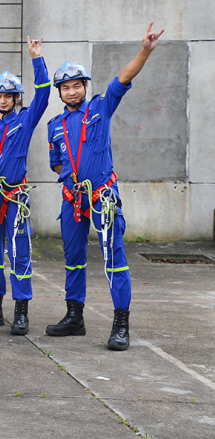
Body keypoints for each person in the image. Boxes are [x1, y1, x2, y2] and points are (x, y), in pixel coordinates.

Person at [46, 22, 164, 351]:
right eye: (65, 87)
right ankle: (75, 317)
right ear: (59, 92)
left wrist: (145, 50)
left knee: (114, 257)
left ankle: (121, 324)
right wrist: (69, 176)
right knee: (73, 258)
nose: (71, 91)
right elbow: (55, 161)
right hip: (72, 200)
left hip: (103, 197)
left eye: (76, 85)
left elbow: (125, 77)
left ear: (85, 86)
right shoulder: (54, 125)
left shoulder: (101, 106)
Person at [0, 37, 49, 335]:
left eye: (8, 96)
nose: (2, 100)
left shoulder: (26, 120)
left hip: (15, 198)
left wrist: (36, 58)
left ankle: (21, 312)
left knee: (19, 254)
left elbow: (43, 94)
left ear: (16, 97)